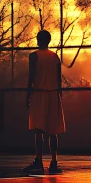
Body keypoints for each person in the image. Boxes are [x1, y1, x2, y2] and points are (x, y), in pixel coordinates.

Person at [23, 30, 65, 174]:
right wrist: (59, 96)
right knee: (53, 131)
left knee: (38, 130)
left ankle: (39, 161)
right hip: (53, 94)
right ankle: (54, 162)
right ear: (48, 40)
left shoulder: (34, 56)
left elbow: (31, 78)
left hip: (39, 92)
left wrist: (28, 95)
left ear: (38, 40)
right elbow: (59, 79)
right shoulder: (55, 57)